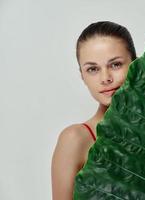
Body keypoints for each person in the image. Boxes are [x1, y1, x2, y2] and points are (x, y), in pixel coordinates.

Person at [51, 21, 137, 200]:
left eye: (115, 65)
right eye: (93, 69)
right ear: (82, 76)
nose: (105, 78)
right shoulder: (75, 139)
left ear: (135, 64)